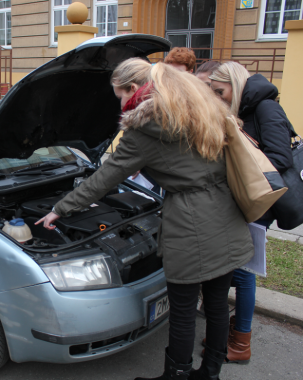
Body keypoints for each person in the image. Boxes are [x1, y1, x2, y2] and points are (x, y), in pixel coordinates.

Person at [35, 58, 254, 380]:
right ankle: (210, 372)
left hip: (190, 222)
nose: (120, 103)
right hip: (226, 210)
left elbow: (104, 179)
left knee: (182, 310)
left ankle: (176, 374)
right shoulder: (197, 106)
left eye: (119, 96)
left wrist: (60, 209)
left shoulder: (145, 129)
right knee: (218, 303)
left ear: (134, 89)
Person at [207, 62, 293, 365]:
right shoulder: (245, 107)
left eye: (220, 91)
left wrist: (242, 146)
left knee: (243, 271)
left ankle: (241, 341)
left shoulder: (266, 108)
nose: (217, 98)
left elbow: (280, 159)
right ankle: (232, 333)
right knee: (235, 268)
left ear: (235, 84)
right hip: (245, 200)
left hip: (260, 202)